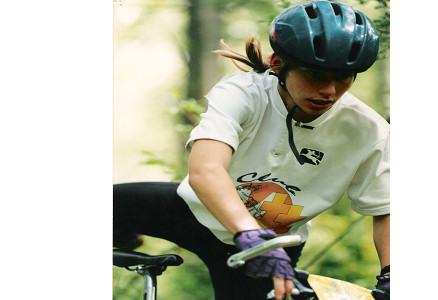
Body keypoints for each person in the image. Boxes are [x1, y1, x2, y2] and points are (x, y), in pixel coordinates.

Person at [113, 1, 390, 299]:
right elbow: (205, 169)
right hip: (194, 212)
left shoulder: (368, 130)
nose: (330, 91)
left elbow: (386, 208)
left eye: (343, 78)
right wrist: (249, 233)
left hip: (273, 243)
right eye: (316, 75)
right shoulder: (243, 92)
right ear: (277, 64)